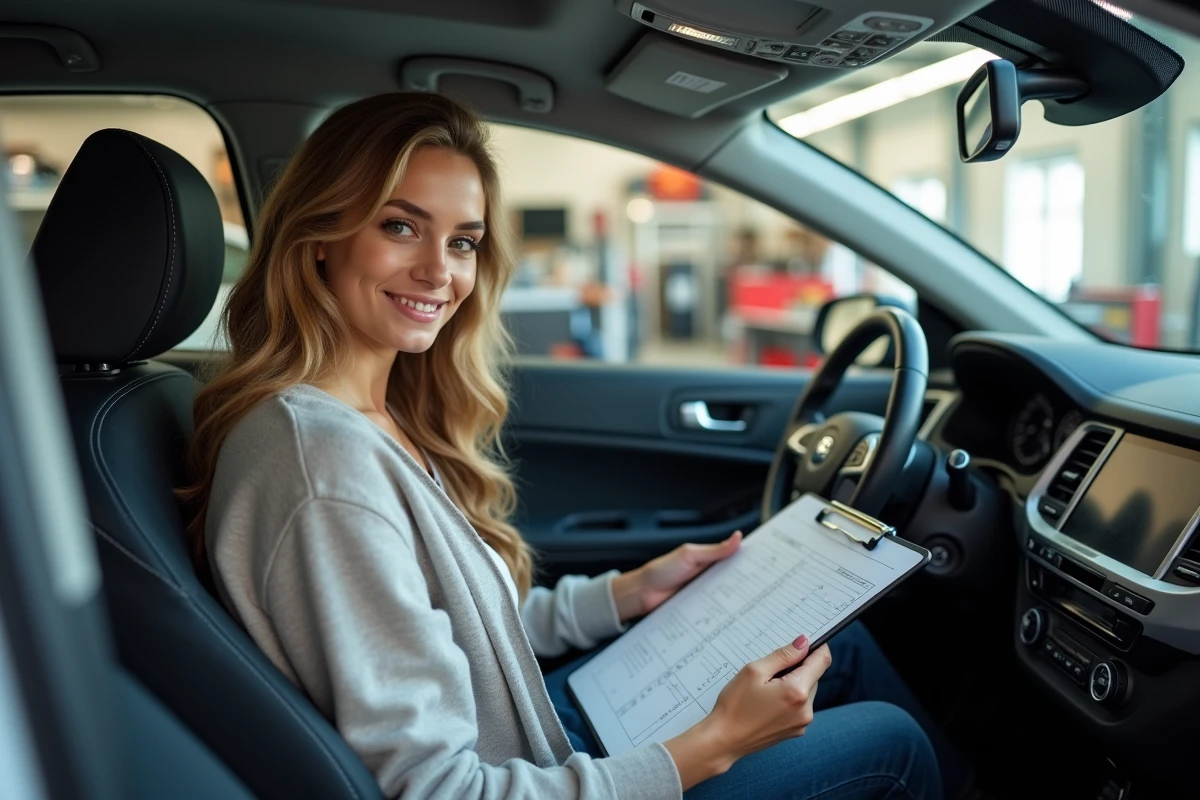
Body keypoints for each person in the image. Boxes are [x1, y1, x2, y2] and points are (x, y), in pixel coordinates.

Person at [180, 92, 960, 800]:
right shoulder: (324, 466)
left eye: (463, 242)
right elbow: (437, 790)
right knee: (890, 744)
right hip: (515, 780)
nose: (438, 271)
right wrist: (712, 746)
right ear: (321, 235)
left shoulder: (370, 419)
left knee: (838, 644)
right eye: (399, 226)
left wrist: (631, 594)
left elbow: (455, 634)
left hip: (530, 737)